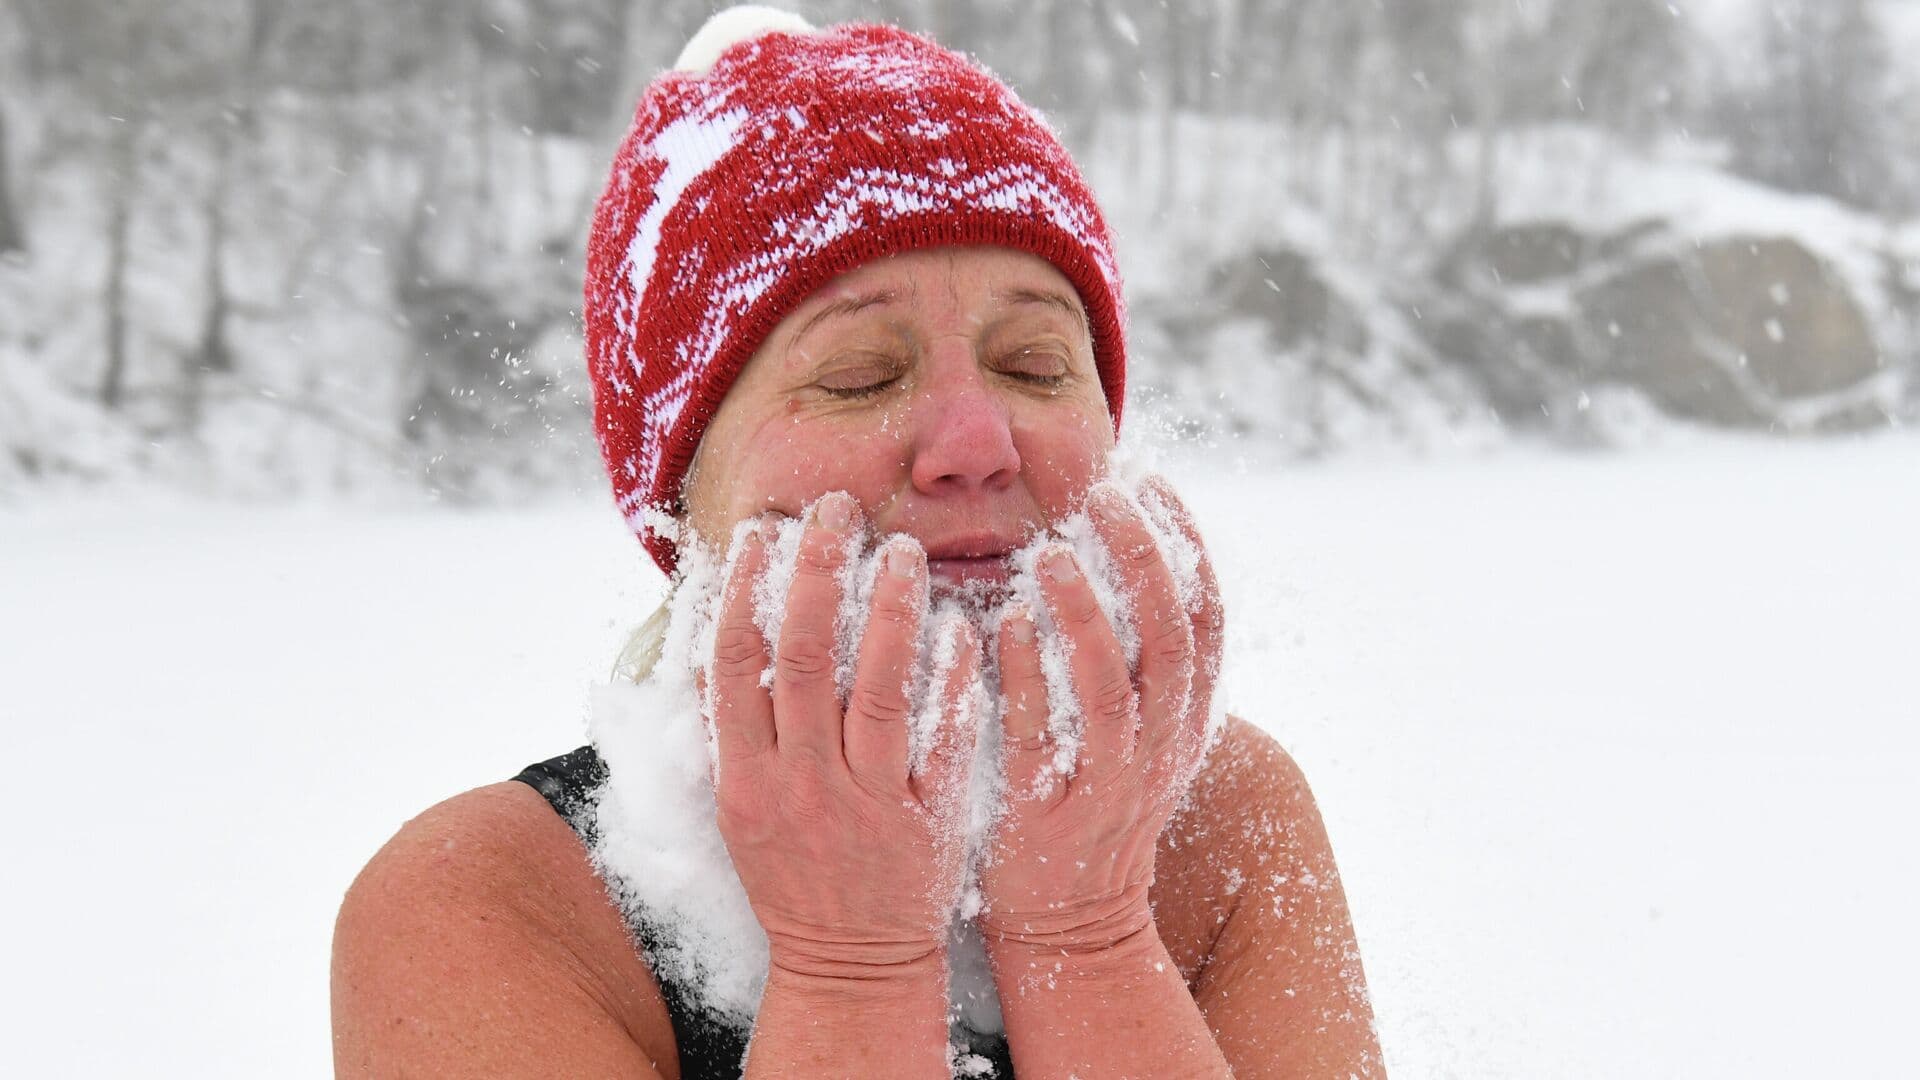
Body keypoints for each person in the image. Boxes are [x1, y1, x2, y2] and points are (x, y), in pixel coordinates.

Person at [331, 9, 1382, 1078]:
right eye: (859, 378)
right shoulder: (489, 906)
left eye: (1033, 363)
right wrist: (852, 962)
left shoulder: (1223, 824)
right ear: (687, 497)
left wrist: (1086, 929)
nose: (977, 444)